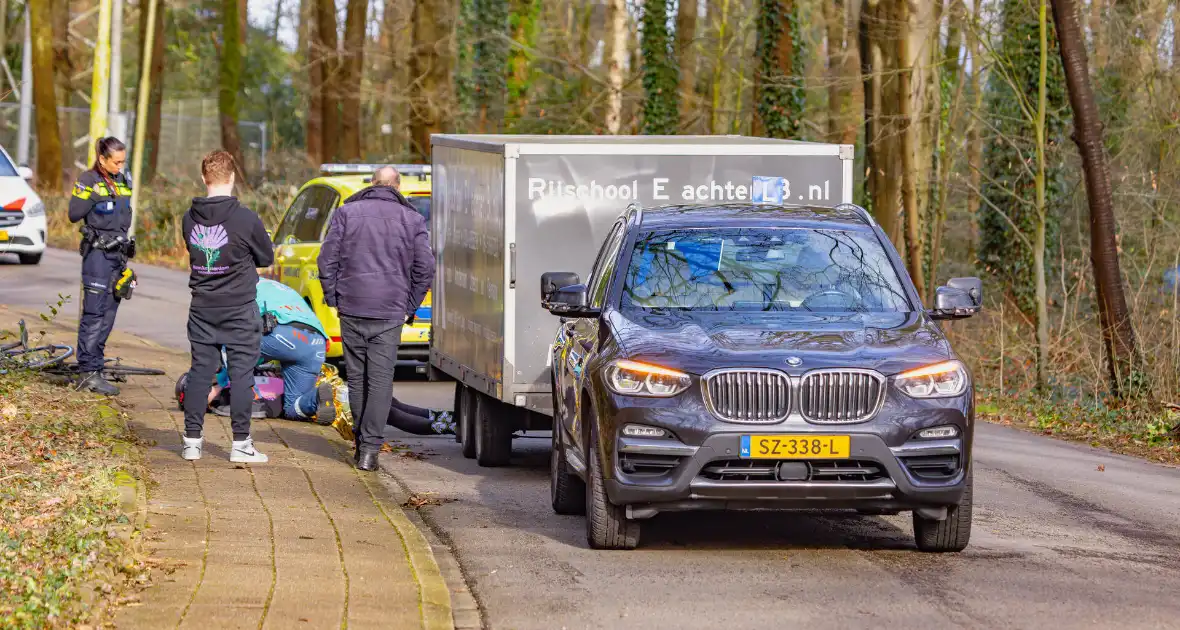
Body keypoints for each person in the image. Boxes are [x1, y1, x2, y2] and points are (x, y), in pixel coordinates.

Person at [317, 166, 434, 471]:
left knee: (357, 379)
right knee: (380, 381)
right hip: (390, 310)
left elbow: (326, 259)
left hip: (353, 306)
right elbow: (425, 268)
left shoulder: (346, 213)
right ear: (398, 186)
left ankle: (360, 443)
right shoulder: (413, 219)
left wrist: (334, 297)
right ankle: (370, 450)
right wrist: (409, 305)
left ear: (373, 184)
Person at [179, 151, 275, 463]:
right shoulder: (246, 219)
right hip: (238, 308)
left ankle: (192, 442)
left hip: (202, 307)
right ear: (232, 178)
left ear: (204, 178)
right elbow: (266, 257)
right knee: (242, 374)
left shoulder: (188, 219)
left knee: (200, 372)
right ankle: (241, 445)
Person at [209, 278, 336, 423]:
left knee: (230, 340)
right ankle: (317, 397)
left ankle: (251, 400)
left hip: (283, 333)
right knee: (293, 408)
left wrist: (220, 382)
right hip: (316, 343)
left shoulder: (237, 284)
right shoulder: (280, 287)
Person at [68, 137, 135, 395]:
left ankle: (96, 368)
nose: (120, 166)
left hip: (118, 257)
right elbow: (74, 213)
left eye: (123, 161)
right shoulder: (88, 181)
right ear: (102, 159)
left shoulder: (123, 180)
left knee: (108, 314)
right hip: (97, 256)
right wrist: (95, 194)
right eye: (116, 162)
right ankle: (87, 372)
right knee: (94, 315)